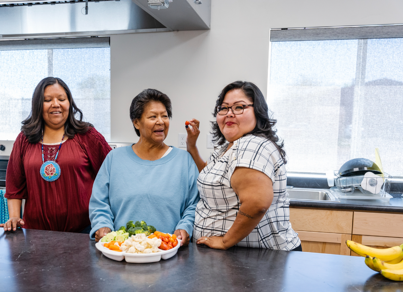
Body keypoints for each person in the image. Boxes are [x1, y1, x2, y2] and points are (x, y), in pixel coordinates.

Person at [185, 81, 301, 251]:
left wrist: (225, 241)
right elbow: (215, 180)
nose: (229, 114)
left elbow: (257, 203)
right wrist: (192, 147)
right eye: (224, 108)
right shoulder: (229, 147)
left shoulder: (251, 145)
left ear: (258, 112)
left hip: (258, 259)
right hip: (241, 257)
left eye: (239, 107)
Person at [0, 77, 112, 233]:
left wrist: (105, 221)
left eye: (61, 99)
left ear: (69, 103)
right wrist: (15, 217)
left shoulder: (88, 136)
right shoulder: (25, 139)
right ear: (38, 105)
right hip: (35, 234)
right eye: (47, 100)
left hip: (84, 232)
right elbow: (14, 185)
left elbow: (111, 177)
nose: (55, 104)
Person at [89, 89, 199, 246]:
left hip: (168, 250)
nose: (160, 121)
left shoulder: (184, 161)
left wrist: (185, 227)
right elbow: (99, 202)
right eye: (153, 116)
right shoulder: (114, 158)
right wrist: (102, 225)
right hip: (121, 251)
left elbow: (194, 204)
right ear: (136, 122)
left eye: (165, 116)